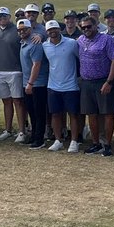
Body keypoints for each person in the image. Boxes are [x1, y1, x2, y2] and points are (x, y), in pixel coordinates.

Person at [76, 13, 114, 156]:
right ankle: (95, 143)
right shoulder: (80, 40)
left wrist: (109, 81)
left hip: (103, 81)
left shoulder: (107, 40)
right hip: (87, 83)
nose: (86, 29)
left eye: (89, 26)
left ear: (96, 26)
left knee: (107, 114)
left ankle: (107, 144)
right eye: (83, 27)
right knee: (92, 114)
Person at [41, 20, 81, 153]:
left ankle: (74, 141)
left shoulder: (71, 43)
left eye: (55, 29)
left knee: (73, 115)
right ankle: (58, 140)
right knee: (55, 114)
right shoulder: (45, 46)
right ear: (47, 32)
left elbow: (80, 58)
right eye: (50, 30)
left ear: (59, 29)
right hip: (53, 86)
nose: (53, 31)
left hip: (71, 85)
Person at [0, 7, 24, 141]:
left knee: (18, 101)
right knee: (6, 101)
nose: (2, 18)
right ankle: (8, 130)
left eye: (4, 16)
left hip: (15, 71)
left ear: (9, 17)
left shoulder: (17, 30)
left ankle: (21, 131)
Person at [18, 18, 48, 149]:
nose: (22, 32)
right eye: (19, 30)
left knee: (39, 112)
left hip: (37, 83)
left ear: (30, 29)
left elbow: (37, 65)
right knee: (31, 111)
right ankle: (34, 135)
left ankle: (39, 139)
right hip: (27, 83)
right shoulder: (23, 42)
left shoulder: (35, 43)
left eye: (24, 29)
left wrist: (30, 83)